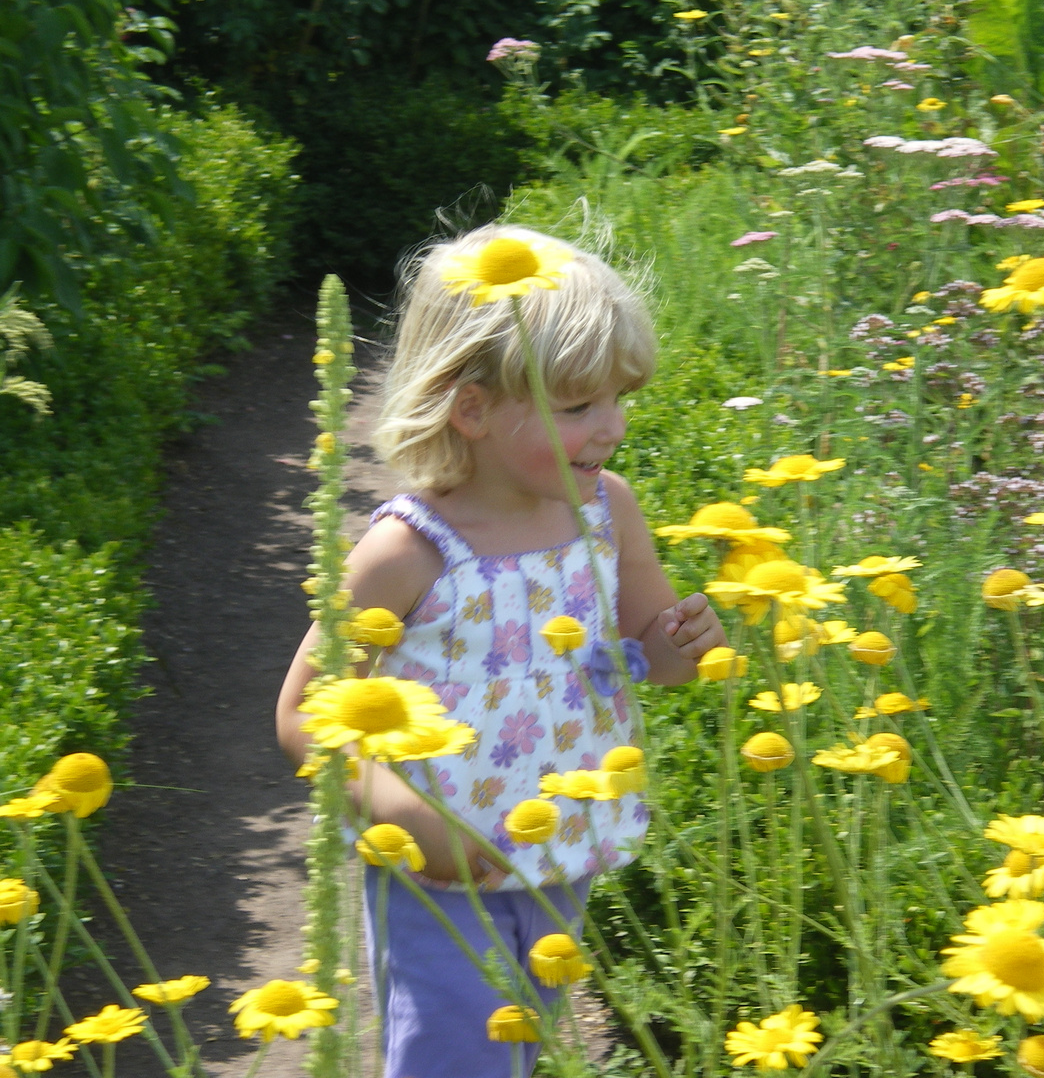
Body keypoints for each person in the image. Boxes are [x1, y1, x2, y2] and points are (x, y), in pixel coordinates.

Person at [275, 223, 726, 1078]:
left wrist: (683, 643)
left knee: (519, 1049)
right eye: (577, 407)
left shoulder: (608, 511)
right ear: (472, 407)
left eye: (619, 400)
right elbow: (305, 713)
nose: (614, 428)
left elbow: (650, 652)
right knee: (451, 1059)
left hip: (562, 851)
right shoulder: (409, 551)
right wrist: (402, 813)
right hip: (438, 876)